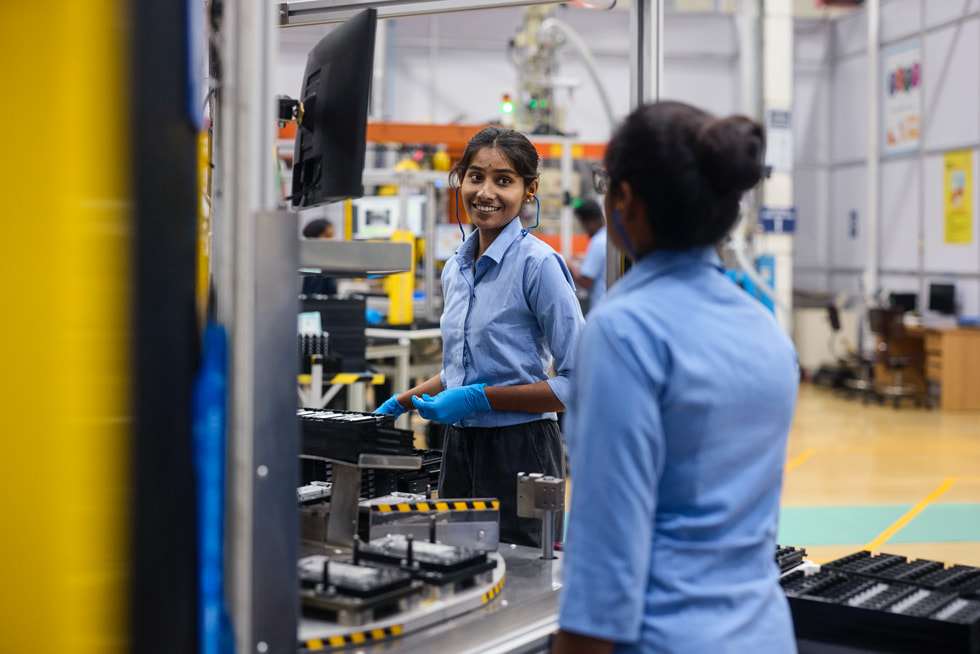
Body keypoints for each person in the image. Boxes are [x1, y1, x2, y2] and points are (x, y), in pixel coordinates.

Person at [552, 101, 799, 654]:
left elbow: (606, 558)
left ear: (627, 200)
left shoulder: (623, 332)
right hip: (764, 633)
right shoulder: (768, 333)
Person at [374, 126, 585, 547]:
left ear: (529, 191)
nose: (486, 192)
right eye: (476, 176)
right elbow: (462, 371)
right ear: (460, 180)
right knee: (458, 566)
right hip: (460, 446)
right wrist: (400, 402)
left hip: (521, 451)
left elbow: (578, 383)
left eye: (503, 180)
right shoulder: (455, 268)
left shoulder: (538, 265)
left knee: (524, 578)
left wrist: (481, 398)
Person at [568, 199, 607, 312]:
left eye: (583, 226)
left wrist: (570, 266)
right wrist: (582, 257)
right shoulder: (607, 237)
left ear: (590, 223)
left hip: (599, 306)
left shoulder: (597, 242)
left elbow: (585, 282)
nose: (585, 231)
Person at [300, 219, 338, 296]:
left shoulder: (323, 262)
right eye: (328, 236)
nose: (334, 239)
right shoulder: (317, 265)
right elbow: (315, 297)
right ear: (316, 239)